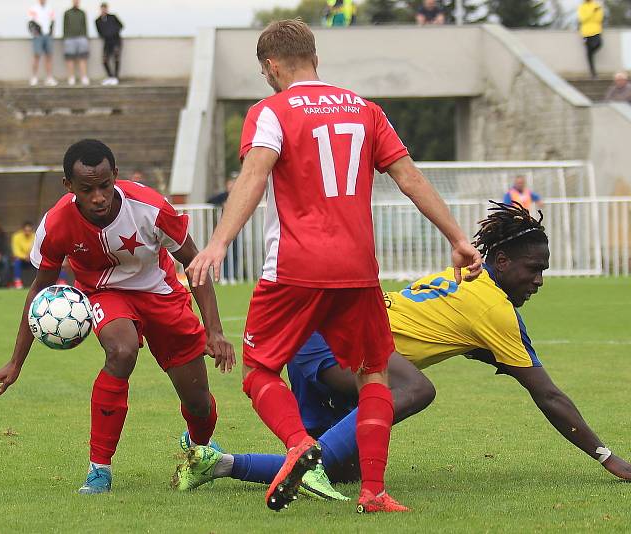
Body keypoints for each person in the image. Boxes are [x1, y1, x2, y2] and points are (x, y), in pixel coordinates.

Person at [187, 19, 482, 514]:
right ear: (316, 60)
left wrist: (218, 243)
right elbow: (409, 178)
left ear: (271, 66)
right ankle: (374, 492)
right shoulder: (366, 110)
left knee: (260, 369)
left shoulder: (269, 111)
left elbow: (254, 175)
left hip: (295, 267)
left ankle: (299, 443)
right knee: (373, 375)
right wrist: (457, 238)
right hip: (358, 268)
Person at [177, 202, 631, 496]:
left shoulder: (464, 281)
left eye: (544, 269)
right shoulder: (493, 308)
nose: (538, 280)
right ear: (499, 259)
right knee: (415, 388)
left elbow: (441, 328)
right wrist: (608, 458)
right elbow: (549, 395)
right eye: (531, 268)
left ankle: (215, 463)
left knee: (329, 469)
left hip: (319, 343)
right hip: (337, 347)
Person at [0, 139, 234, 496]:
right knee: (122, 351)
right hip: (104, 293)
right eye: (87, 189)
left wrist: (215, 331)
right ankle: (99, 468)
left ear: (115, 175)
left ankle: (199, 447)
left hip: (161, 292)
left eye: (104, 185)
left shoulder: (150, 207)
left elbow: (194, 266)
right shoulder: (57, 223)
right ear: (69, 187)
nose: (98, 196)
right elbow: (39, 290)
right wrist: (15, 361)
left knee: (199, 402)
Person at [28, 0, 57, 86]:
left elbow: (52, 21)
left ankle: (49, 77)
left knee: (49, 56)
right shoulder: (33, 8)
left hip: (48, 35)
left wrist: (51, 32)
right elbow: (30, 22)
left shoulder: (49, 8)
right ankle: (34, 77)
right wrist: (35, 32)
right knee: (36, 56)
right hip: (38, 36)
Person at [63, 0, 90, 86]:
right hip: (69, 38)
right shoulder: (67, 13)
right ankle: (71, 77)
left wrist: (85, 36)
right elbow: (64, 26)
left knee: (83, 57)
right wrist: (65, 37)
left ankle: (84, 77)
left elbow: (85, 25)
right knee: (70, 58)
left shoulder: (82, 13)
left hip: (81, 37)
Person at [95, 3, 123, 85]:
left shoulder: (113, 17)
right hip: (107, 42)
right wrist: (106, 35)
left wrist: (113, 32)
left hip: (116, 41)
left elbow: (121, 26)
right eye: (102, 8)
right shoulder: (98, 20)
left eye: (105, 8)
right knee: (104, 59)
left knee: (116, 57)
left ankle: (116, 77)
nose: (104, 10)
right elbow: (99, 32)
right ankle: (110, 76)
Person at [578, 0, 603, 79]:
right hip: (586, 33)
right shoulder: (582, 6)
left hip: (596, 30)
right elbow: (582, 19)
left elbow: (599, 18)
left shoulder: (596, 5)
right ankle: (593, 73)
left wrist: (590, 15)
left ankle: (591, 53)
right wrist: (592, 12)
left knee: (599, 44)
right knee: (589, 53)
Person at [11, 221, 35, 288]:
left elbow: (37, 249)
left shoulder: (35, 236)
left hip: (32, 258)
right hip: (21, 259)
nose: (27, 232)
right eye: (26, 230)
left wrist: (30, 256)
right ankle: (17, 281)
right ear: (22, 230)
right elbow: (15, 251)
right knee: (16, 260)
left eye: (29, 230)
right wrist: (24, 257)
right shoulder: (16, 236)